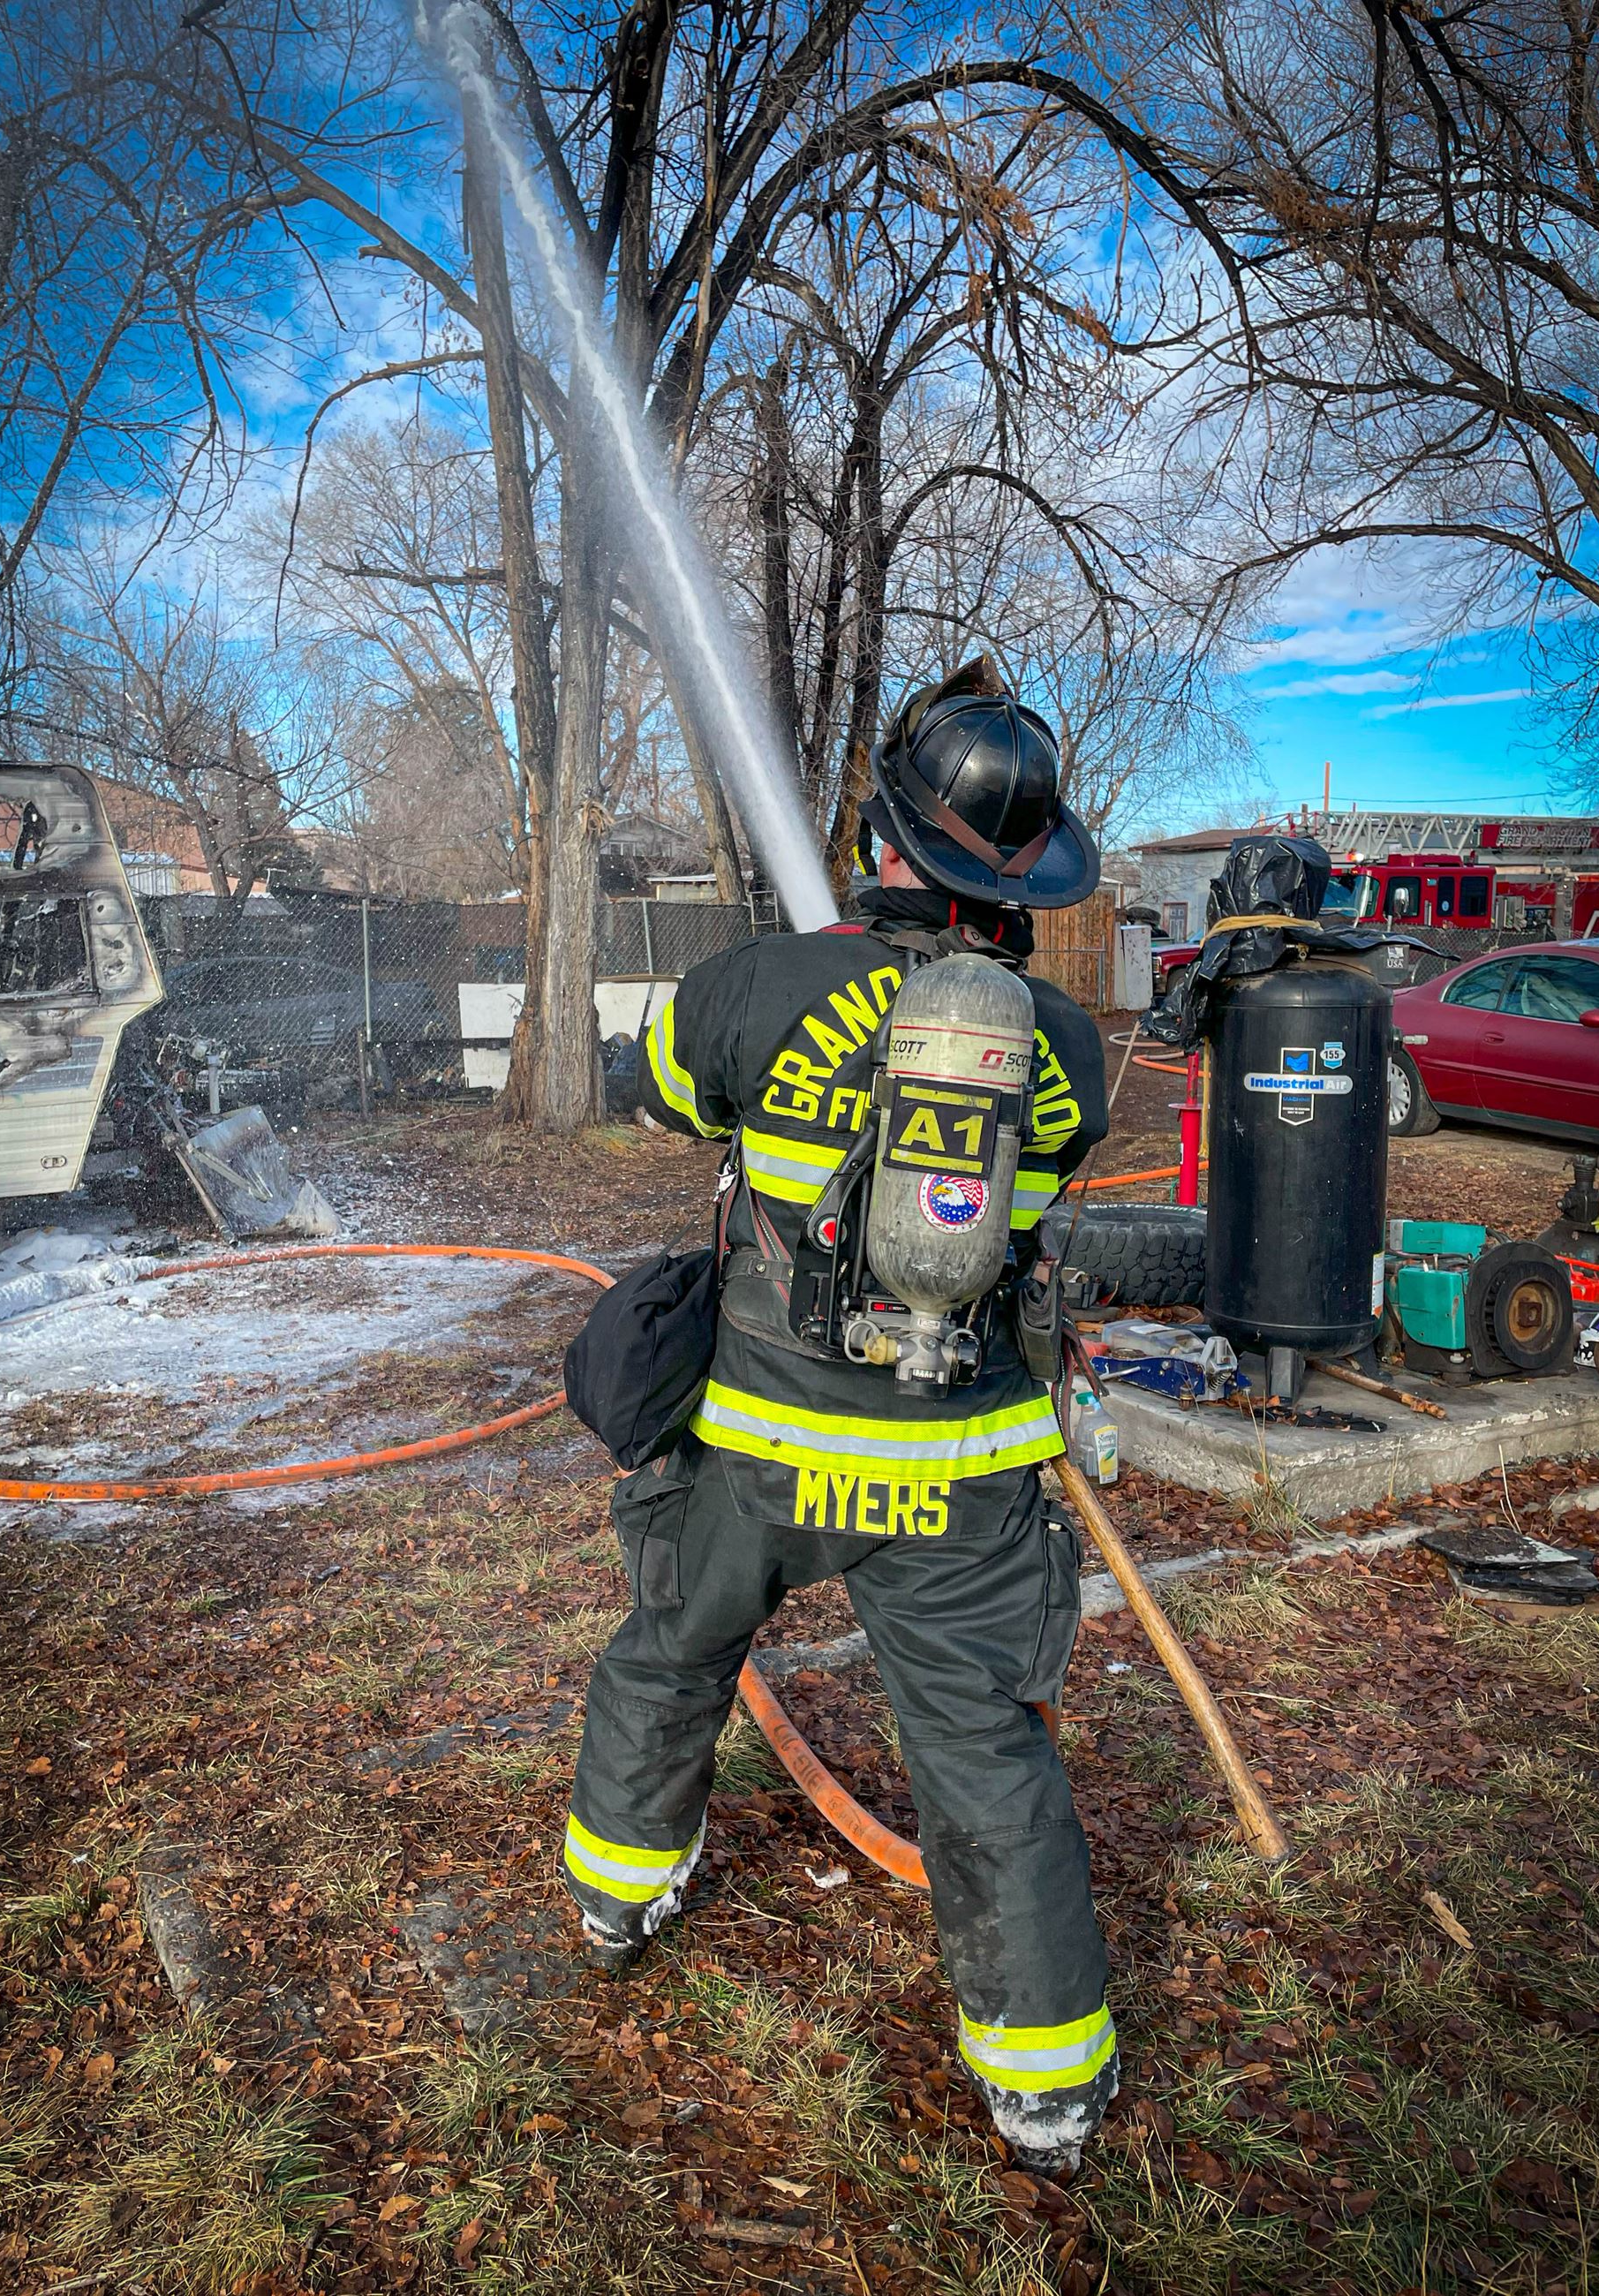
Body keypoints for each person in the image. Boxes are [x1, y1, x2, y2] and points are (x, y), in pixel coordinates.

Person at [562, 660, 1118, 2173]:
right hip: (961, 1472)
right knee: (983, 1753)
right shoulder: (1059, 1046)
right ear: (1016, 881)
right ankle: (1043, 2080)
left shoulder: (750, 986)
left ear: (881, 841)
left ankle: (618, 1895)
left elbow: (664, 1089)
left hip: (756, 1453)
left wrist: (797, 994)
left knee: (671, 1659)